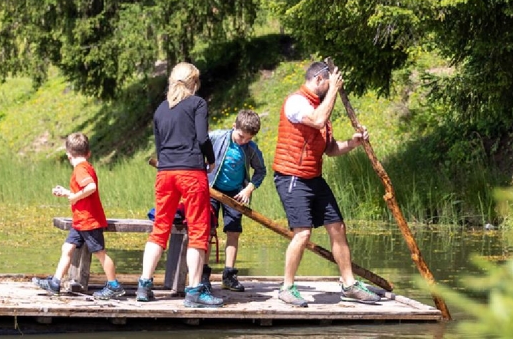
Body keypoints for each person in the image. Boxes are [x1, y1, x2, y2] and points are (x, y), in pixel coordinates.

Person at [272, 61, 380, 307]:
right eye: (329, 84)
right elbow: (318, 121)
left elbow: (329, 149)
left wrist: (353, 143)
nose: (333, 88)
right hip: (292, 176)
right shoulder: (296, 102)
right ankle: (287, 287)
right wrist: (334, 89)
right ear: (319, 80)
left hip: (313, 176)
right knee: (303, 233)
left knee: (337, 226)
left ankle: (349, 284)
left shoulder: (321, 107)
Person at [137, 62, 223, 308]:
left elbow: (159, 146)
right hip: (191, 172)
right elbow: (203, 137)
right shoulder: (198, 104)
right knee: (198, 231)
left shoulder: (160, 109)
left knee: (160, 227)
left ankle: (144, 286)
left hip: (165, 173)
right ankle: (194, 292)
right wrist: (211, 159)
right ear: (194, 83)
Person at [32, 133, 124, 300]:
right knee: (67, 248)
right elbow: (85, 191)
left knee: (100, 253)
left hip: (89, 221)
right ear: (88, 153)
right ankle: (55, 283)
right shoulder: (86, 167)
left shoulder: (80, 169)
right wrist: (67, 193)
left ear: (68, 155)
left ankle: (114, 285)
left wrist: (74, 197)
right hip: (80, 221)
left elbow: (91, 187)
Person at [202, 109, 266, 292]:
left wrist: (249, 188)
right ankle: (203, 275)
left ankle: (229, 276)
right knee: (207, 230)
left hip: (236, 194)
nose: (243, 140)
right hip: (211, 190)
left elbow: (261, 171)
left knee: (233, 231)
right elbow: (199, 146)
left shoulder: (251, 149)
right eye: (241, 136)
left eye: (248, 138)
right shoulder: (216, 137)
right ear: (233, 127)